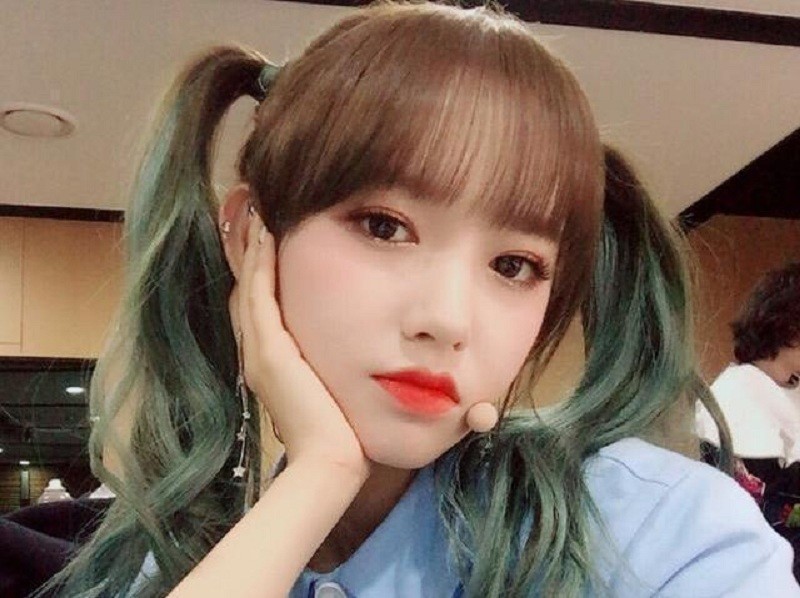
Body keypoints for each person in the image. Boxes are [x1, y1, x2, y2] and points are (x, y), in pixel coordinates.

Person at [43, 3, 796, 597]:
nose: (446, 320)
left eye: (514, 265)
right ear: (248, 235)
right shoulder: (188, 563)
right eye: (384, 226)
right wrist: (320, 474)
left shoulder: (662, 534)